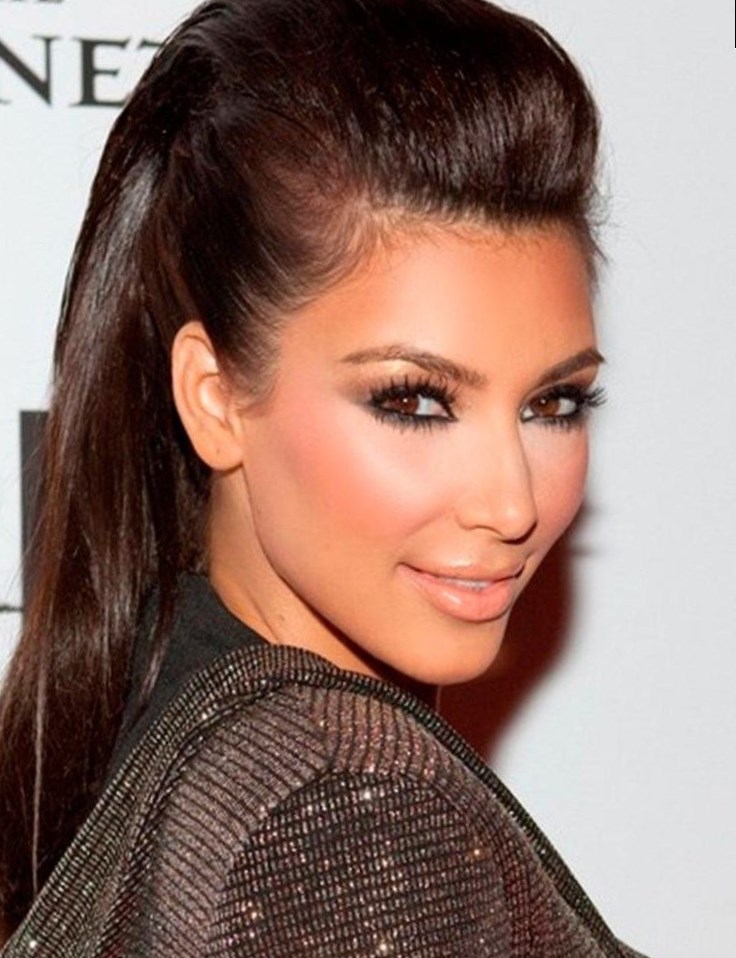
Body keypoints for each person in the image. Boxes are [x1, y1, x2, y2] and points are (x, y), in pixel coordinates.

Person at [0, 0, 650, 954]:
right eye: (414, 402)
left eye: (553, 403)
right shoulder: (343, 811)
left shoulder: (184, 726)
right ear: (216, 399)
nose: (512, 503)